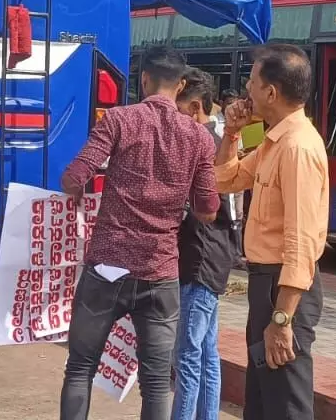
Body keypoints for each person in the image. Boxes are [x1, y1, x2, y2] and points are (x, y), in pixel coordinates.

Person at [56, 46, 219, 420]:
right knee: (157, 381)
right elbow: (209, 210)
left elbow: (73, 178)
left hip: (107, 270)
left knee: (80, 367)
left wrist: (80, 189)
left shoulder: (118, 121)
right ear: (180, 85)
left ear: (144, 79)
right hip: (160, 273)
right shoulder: (199, 139)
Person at [214, 44, 328, 419]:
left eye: (252, 81)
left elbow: (301, 240)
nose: (246, 89)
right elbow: (225, 179)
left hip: (284, 290)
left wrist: (282, 320)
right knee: (263, 404)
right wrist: (232, 132)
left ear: (271, 92)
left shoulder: (297, 147)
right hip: (266, 285)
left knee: (286, 406)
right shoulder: (273, 141)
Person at [172, 69, 241, 420]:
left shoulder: (203, 144)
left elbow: (206, 207)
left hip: (201, 257)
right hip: (218, 254)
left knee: (187, 353)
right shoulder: (220, 138)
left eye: (178, 110)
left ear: (196, 106)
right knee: (207, 352)